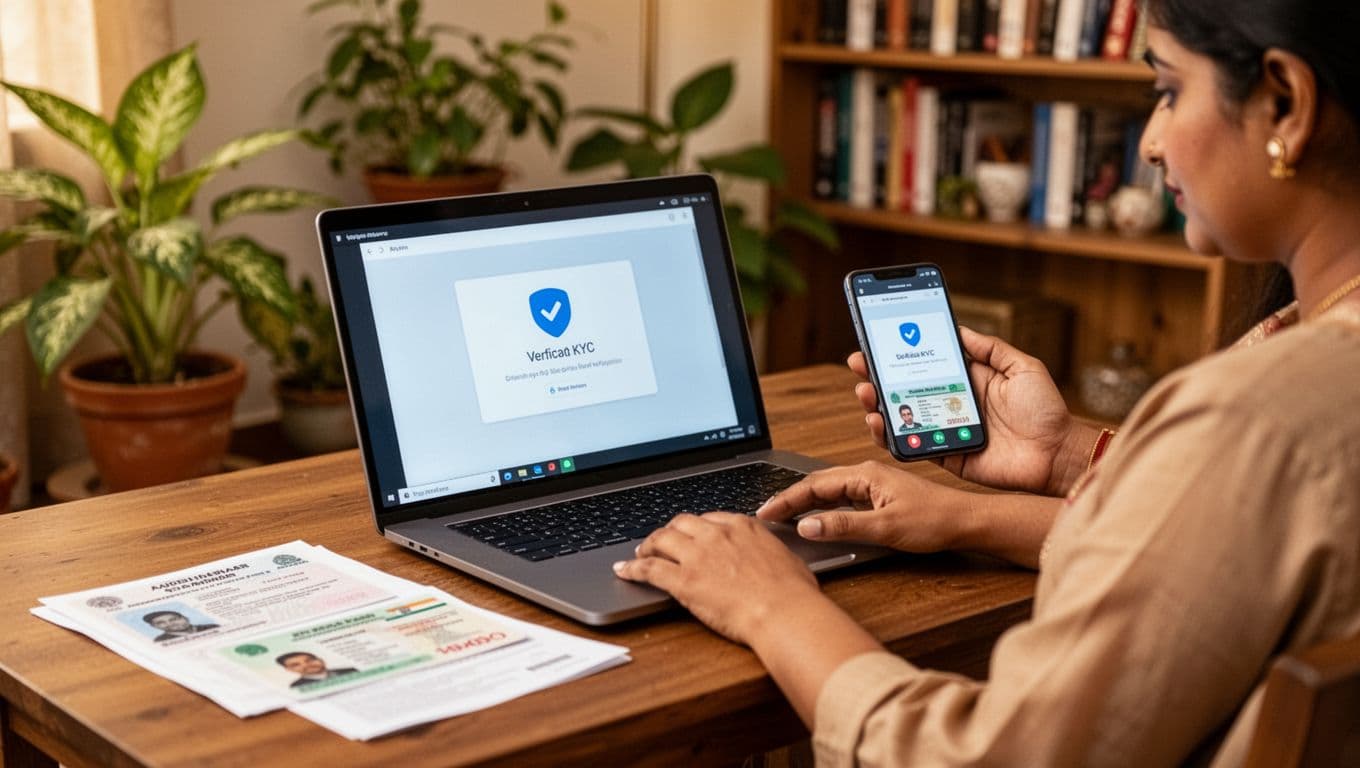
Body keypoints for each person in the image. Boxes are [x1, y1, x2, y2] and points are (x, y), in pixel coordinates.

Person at [613, 1, 1360, 763]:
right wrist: (1048, 469)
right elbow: (1224, 555)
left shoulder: (1256, 416)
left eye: (1168, 90)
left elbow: (980, 756)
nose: (1152, 141)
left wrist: (770, 604)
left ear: (1286, 103)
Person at [275, 651, 359, 688]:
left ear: (321, 660)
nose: (307, 665)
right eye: (296, 665)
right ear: (289, 670)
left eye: (310, 660)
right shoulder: (296, 686)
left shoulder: (351, 670)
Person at [142, 610, 220, 642]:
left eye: (173, 619)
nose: (170, 624)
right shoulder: (160, 640)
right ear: (154, 627)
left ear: (185, 618)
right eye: (161, 623)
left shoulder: (213, 627)